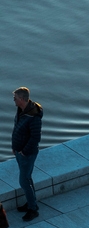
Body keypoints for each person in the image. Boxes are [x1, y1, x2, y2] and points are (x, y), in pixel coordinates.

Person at [13, 87, 43, 221]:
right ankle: (31, 203)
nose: (14, 100)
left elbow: (35, 137)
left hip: (27, 154)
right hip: (20, 151)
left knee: (24, 181)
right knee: (27, 178)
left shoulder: (33, 116)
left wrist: (24, 151)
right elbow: (17, 129)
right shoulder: (21, 110)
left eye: (16, 98)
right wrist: (14, 147)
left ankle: (33, 209)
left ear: (22, 99)